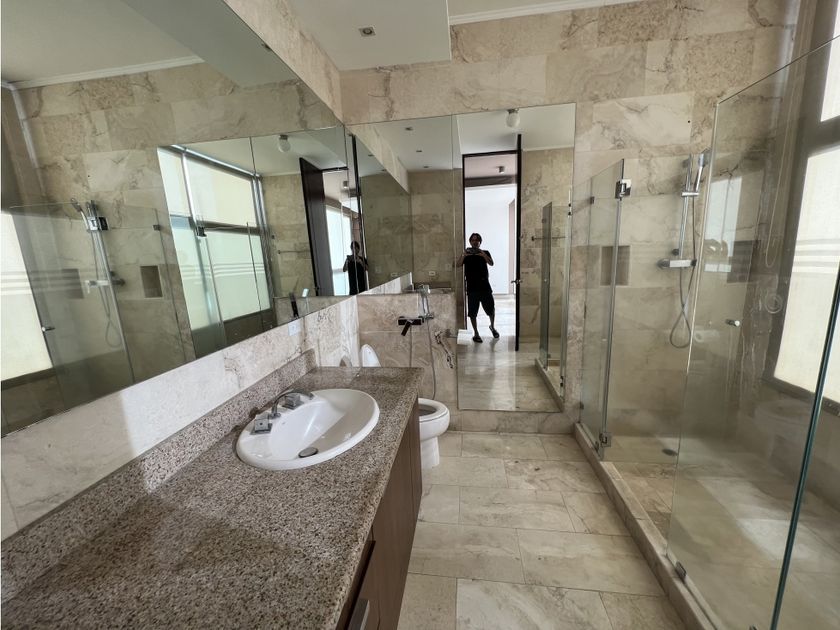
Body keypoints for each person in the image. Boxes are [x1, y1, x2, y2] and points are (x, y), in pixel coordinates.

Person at [456, 232, 499, 343]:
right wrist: (463, 255)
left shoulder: (485, 252)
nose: (475, 242)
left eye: (477, 240)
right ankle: (476, 333)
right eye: (473, 240)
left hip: (485, 287)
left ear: (480, 242)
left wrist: (482, 254)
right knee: (473, 312)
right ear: (470, 242)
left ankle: (492, 327)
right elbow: (458, 264)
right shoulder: (466, 254)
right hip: (472, 288)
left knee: (491, 309)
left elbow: (491, 263)